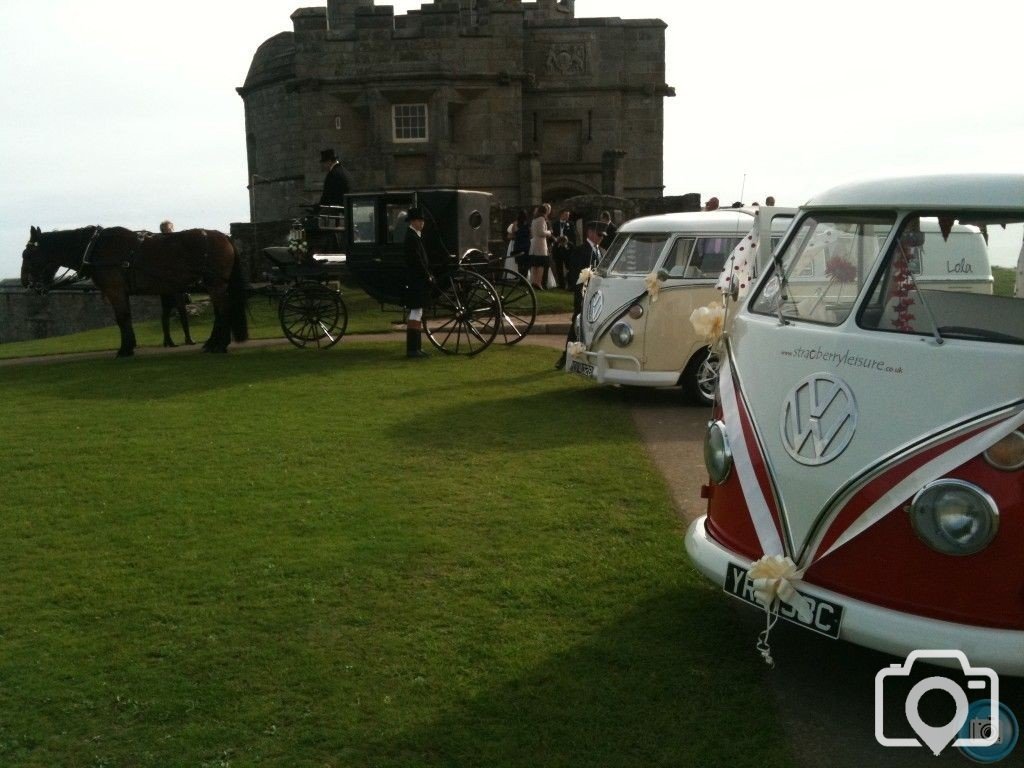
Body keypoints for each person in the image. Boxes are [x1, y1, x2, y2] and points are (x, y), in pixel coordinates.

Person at [555, 220, 604, 369]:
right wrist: (581, 295)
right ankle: (566, 357)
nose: (601, 237)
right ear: (590, 233)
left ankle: (584, 358)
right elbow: (575, 275)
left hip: (596, 296)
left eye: (602, 235)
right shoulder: (580, 250)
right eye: (599, 234)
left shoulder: (600, 251)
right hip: (583, 295)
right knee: (577, 327)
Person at [402, 207, 433, 359]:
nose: (422, 224)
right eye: (420, 221)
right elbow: (416, 261)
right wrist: (427, 275)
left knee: (418, 312)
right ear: (414, 221)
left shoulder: (414, 236)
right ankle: (412, 349)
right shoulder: (411, 237)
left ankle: (416, 348)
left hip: (417, 279)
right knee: (415, 312)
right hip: (415, 280)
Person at [549, 208, 576, 289]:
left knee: (569, 267)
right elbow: (551, 235)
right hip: (557, 247)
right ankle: (561, 285)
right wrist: (556, 240)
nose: (567, 217)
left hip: (567, 248)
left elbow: (573, 236)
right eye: (565, 215)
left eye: (568, 215)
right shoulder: (555, 224)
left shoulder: (571, 224)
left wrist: (567, 243)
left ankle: (571, 285)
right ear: (561, 215)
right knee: (558, 267)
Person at [528, 203, 552, 290]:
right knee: (541, 263)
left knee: (534, 264)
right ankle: (538, 282)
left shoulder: (534, 219)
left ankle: (533, 281)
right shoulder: (542, 219)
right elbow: (541, 232)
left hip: (534, 242)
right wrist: (549, 232)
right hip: (540, 243)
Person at [507, 209, 531, 275]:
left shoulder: (515, 224)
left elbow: (511, 235)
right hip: (526, 245)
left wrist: (517, 235)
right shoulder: (528, 224)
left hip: (518, 245)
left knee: (519, 263)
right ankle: (524, 277)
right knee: (526, 263)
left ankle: (521, 277)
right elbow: (531, 234)